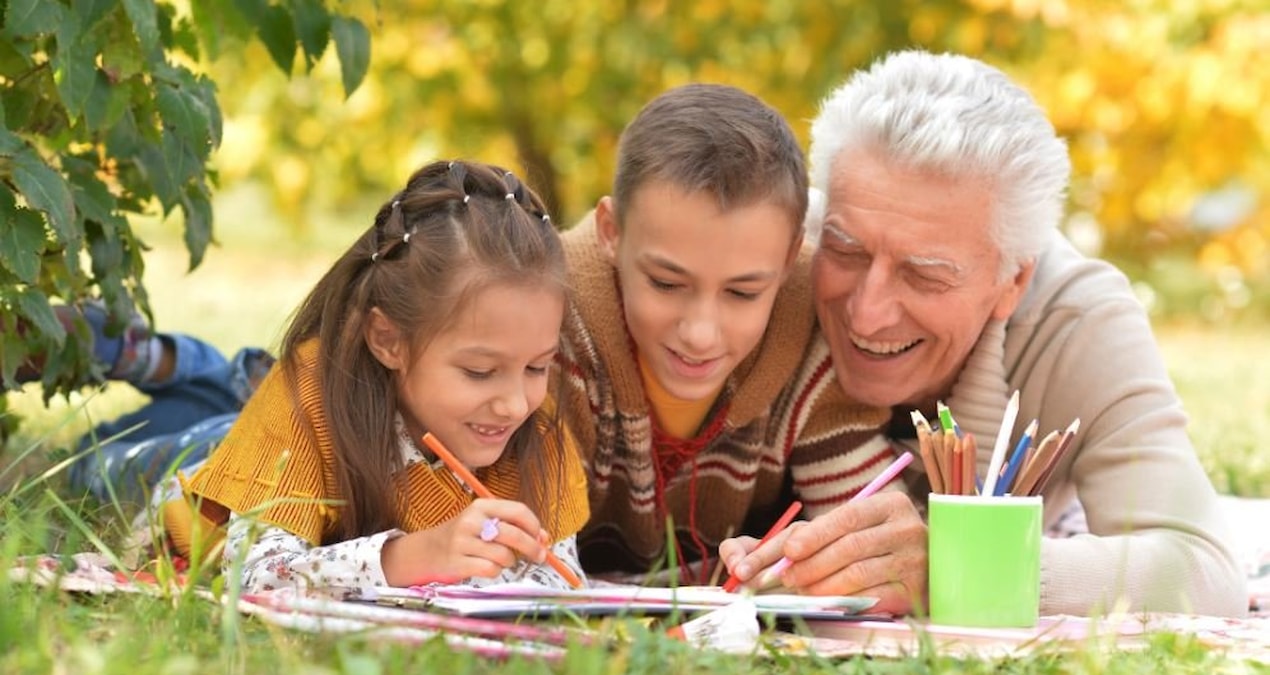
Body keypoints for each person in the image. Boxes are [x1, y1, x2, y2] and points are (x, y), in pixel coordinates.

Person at [720, 50, 1247, 617]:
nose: (866, 314)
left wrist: (960, 566)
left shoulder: (1079, 322)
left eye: (925, 274)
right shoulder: (760, 258)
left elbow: (1204, 570)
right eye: (846, 248)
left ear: (1012, 279)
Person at [169, 160, 589, 593]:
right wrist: (415, 557)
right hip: (189, 461)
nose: (515, 404)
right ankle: (163, 359)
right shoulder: (311, 392)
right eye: (479, 372)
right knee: (145, 443)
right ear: (388, 340)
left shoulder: (538, 430)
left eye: (538, 367)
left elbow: (562, 581)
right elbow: (255, 575)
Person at [554, 83, 893, 584]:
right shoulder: (547, 328)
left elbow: (866, 547)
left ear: (786, 257)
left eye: (742, 294)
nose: (699, 333)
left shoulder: (813, 330)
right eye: (667, 283)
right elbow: (515, 563)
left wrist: (817, 565)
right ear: (611, 231)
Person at [14, 302, 273, 506]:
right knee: (233, 379)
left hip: (266, 446)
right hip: (262, 391)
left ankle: (130, 351)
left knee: (110, 465)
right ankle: (127, 350)